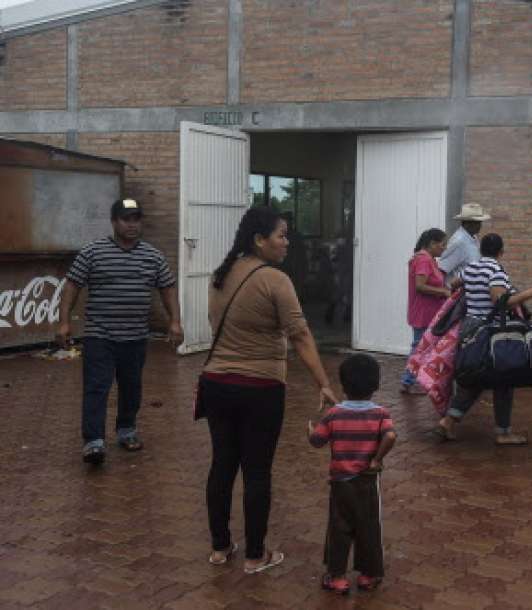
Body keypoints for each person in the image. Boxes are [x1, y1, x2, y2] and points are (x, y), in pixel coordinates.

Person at [201, 206, 337, 574]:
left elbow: (216, 326)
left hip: (216, 385)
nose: (287, 242)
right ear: (259, 240)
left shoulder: (219, 274)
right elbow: (300, 335)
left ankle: (219, 547)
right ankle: (255, 555)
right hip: (260, 388)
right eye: (281, 235)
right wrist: (323, 383)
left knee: (222, 465)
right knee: (257, 471)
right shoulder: (276, 281)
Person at [57, 198, 184, 465]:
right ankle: (93, 441)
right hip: (99, 335)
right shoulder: (93, 252)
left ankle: (126, 430)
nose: (132, 224)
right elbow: (71, 285)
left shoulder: (153, 255)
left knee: (131, 388)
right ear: (114, 222)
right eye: (126, 219)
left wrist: (175, 321)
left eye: (136, 219)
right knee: (96, 387)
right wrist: (64, 321)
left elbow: (168, 288)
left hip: (136, 337)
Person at [436, 233, 532, 445]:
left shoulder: (473, 267)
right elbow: (501, 302)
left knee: (477, 376)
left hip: (469, 328)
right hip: (489, 332)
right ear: (501, 252)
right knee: (504, 377)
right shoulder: (495, 270)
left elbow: (456, 284)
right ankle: (503, 433)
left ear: (481, 250)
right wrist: (530, 293)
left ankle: (449, 421)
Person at [309, 354, 397, 595]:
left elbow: (317, 441)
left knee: (339, 528)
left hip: (340, 483)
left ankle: (336, 577)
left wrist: (310, 429)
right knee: (369, 527)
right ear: (376, 385)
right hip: (367, 482)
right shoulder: (381, 413)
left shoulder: (334, 414)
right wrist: (377, 460)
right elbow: (390, 436)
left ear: (343, 385)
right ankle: (368, 575)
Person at [401, 228, 451, 394]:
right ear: (432, 244)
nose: (444, 249)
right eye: (442, 245)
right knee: (419, 347)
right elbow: (420, 286)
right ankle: (408, 381)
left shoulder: (430, 259)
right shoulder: (423, 260)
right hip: (423, 313)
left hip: (430, 312)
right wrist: (443, 292)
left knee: (425, 347)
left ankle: (417, 380)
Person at [438, 203, 491, 279]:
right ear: (467, 223)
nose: (480, 225)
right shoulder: (459, 241)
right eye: (477, 223)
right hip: (458, 289)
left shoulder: (473, 238)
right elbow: (442, 269)